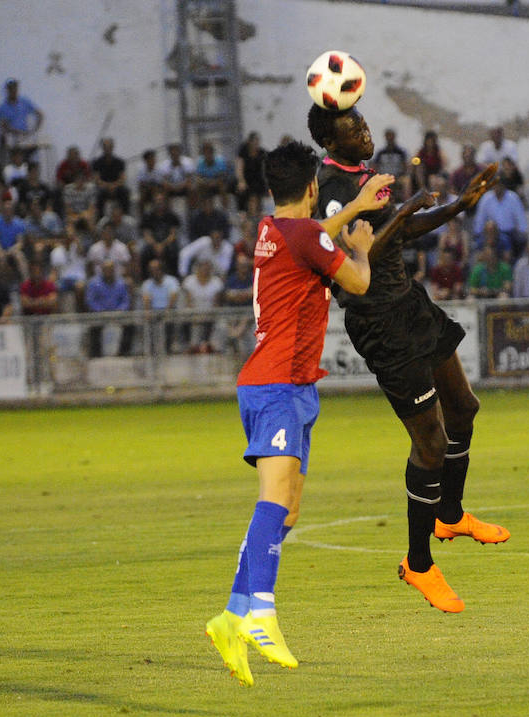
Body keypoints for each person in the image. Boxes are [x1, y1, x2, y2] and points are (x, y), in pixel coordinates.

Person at [204, 139, 392, 686]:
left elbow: (313, 236)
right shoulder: (306, 235)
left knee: (287, 511)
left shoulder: (272, 230)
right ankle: (261, 609)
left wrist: (354, 209)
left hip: (289, 387)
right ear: (313, 187)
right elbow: (358, 281)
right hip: (276, 386)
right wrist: (360, 243)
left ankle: (231, 617)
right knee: (273, 498)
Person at [308, 103, 509, 614]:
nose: (365, 131)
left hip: (409, 303)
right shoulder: (332, 188)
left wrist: (459, 205)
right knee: (432, 442)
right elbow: (356, 260)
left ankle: (450, 514)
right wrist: (403, 210)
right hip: (379, 323)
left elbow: (403, 233)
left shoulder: (365, 174)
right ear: (331, 143)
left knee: (464, 407)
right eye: (353, 128)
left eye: (363, 122)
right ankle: (419, 564)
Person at [472, 176, 527, 259]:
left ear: (504, 186)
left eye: (499, 185)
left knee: (518, 241)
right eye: (495, 185)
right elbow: (480, 218)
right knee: (477, 244)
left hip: (509, 232)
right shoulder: (486, 198)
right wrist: (478, 232)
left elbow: (520, 217)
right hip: (490, 232)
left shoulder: (513, 197)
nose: (497, 188)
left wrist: (523, 231)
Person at [85, 259, 132, 356]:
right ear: (102, 270)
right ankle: (96, 354)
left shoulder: (121, 283)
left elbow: (126, 300)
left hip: (118, 314)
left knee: (130, 325)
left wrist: (120, 310)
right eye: (106, 269)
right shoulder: (94, 283)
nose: (108, 271)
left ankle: (123, 353)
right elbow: (90, 301)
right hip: (99, 314)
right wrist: (100, 311)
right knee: (93, 325)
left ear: (114, 270)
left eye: (111, 269)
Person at [0, 78, 43, 156]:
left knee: (32, 157)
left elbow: (39, 114)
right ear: (7, 90)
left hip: (26, 136)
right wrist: (13, 131)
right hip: (13, 138)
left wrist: (35, 129)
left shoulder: (24, 101)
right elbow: (3, 125)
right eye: (11, 88)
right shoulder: (3, 107)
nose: (13, 90)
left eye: (15, 87)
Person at [91, 137, 130, 216]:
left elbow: (122, 179)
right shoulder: (97, 162)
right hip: (103, 187)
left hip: (117, 187)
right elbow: (96, 180)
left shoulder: (119, 162)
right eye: (105, 147)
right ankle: (100, 219)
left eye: (109, 147)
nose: (107, 149)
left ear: (112, 147)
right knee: (98, 194)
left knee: (125, 192)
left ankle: (126, 216)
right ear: (103, 148)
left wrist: (114, 186)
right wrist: (108, 186)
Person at [234, 131, 267, 213]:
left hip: (258, 179)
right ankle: (242, 211)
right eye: (254, 141)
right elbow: (239, 167)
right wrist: (241, 181)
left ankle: (259, 210)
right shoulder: (243, 151)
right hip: (246, 178)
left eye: (257, 141)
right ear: (249, 142)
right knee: (240, 188)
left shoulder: (262, 153)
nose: (256, 144)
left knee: (259, 187)